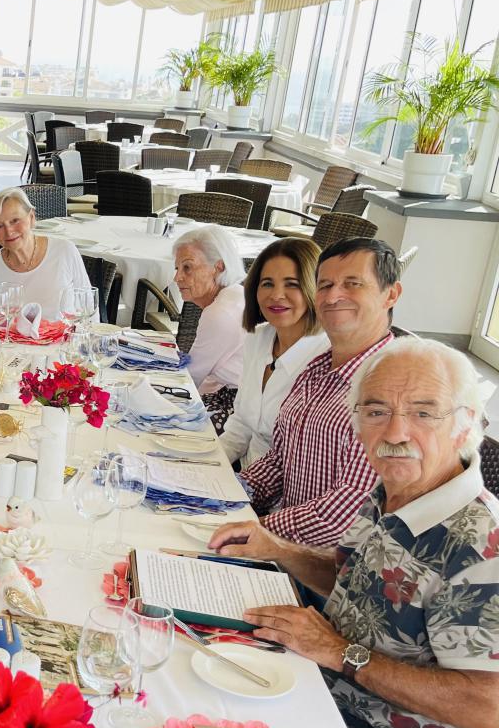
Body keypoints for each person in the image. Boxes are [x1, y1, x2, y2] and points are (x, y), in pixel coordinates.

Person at [209, 339, 499, 728]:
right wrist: (274, 548)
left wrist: (341, 654)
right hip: (328, 688)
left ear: (465, 423)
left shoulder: (479, 546)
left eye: (424, 413)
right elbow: (349, 578)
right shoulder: (394, 488)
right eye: (376, 410)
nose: (396, 431)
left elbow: (487, 708)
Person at [237, 237, 402, 546]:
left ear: (391, 294)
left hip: (334, 577)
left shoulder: (391, 390)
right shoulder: (315, 369)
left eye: (352, 284)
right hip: (285, 549)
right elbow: (279, 461)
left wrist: (253, 529)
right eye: (325, 285)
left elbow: (344, 518)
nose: (333, 296)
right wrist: (228, 494)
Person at [219, 237, 329, 467]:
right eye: (267, 283)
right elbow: (241, 424)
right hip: (245, 479)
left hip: (284, 496)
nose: (277, 295)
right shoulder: (257, 339)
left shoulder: (327, 358)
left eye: (292, 284)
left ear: (315, 288)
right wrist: (210, 465)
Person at [0, 187, 90, 319]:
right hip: (10, 340)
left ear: (32, 217)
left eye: (15, 220)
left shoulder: (64, 252)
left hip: (65, 339)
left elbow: (89, 310)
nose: (9, 231)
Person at [171, 225, 246, 399]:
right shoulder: (235, 294)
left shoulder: (220, 313)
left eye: (187, 268)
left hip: (234, 406)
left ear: (218, 267)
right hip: (233, 395)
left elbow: (190, 379)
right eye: (177, 269)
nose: (177, 278)